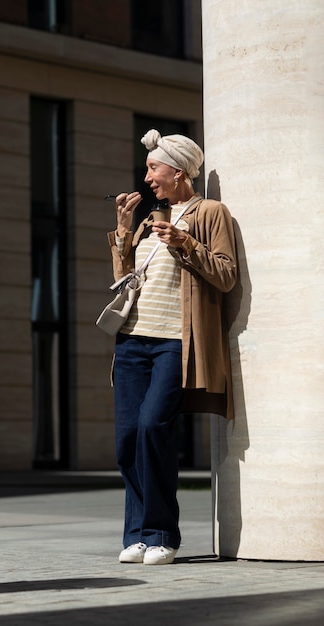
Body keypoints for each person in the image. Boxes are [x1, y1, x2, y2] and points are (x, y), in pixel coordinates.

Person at [107, 129, 237, 565]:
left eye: (153, 169)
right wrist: (124, 232)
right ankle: (138, 534)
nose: (147, 179)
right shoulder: (150, 218)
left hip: (174, 342)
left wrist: (185, 242)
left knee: (151, 427)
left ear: (177, 172)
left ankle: (162, 533)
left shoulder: (210, 213)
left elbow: (225, 274)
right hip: (131, 341)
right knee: (127, 439)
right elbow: (125, 276)